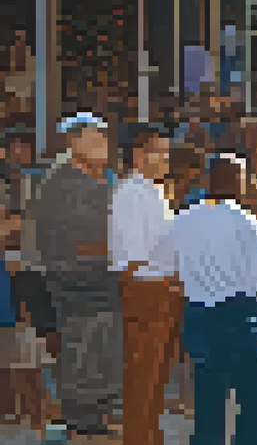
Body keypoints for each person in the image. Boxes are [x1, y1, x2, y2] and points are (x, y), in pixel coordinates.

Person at [147, 154, 257, 445]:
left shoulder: (184, 218)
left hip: (199, 316)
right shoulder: (245, 221)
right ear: (240, 183)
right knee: (254, 400)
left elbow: (157, 266)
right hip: (241, 315)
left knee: (208, 403)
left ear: (207, 181)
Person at [32, 112, 124, 441]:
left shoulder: (99, 179)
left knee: (100, 350)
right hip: (77, 282)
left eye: (104, 138)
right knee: (83, 351)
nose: (104, 145)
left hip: (99, 281)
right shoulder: (65, 183)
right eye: (95, 138)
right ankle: (81, 419)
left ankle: (94, 415)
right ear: (74, 142)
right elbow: (81, 238)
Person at [110, 126, 179, 445]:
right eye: (160, 152)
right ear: (139, 155)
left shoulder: (153, 190)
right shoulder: (130, 194)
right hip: (146, 291)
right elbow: (132, 258)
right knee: (142, 377)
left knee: (156, 377)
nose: (166, 159)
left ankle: (151, 436)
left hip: (163, 290)